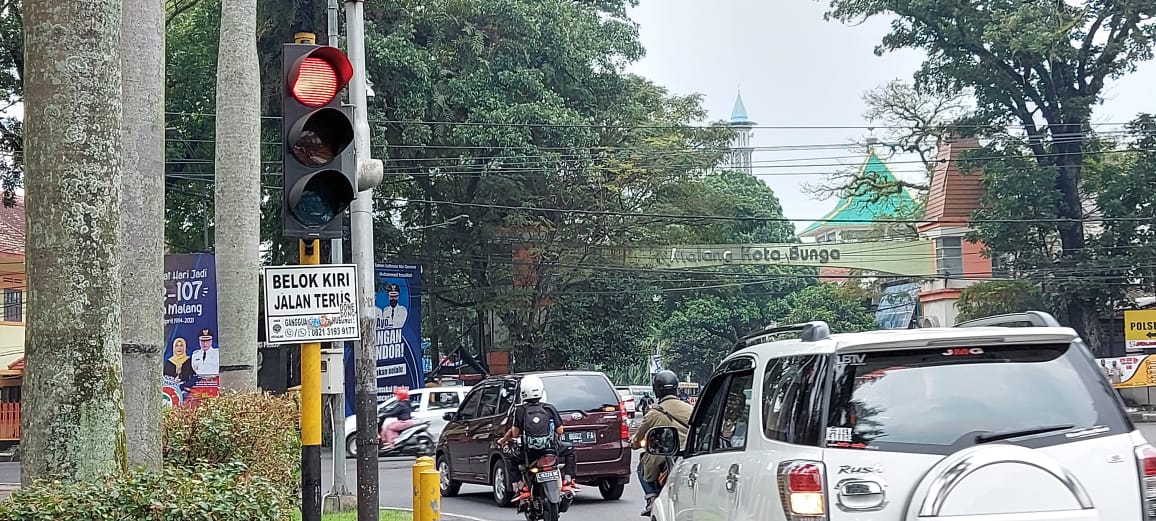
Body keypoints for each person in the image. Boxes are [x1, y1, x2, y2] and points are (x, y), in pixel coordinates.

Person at [497, 375, 579, 502]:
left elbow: (515, 434)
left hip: (528, 453)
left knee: (508, 456)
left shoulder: (520, 411)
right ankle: (568, 479)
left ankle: (519, 486)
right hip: (550, 450)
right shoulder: (549, 408)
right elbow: (560, 430)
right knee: (571, 449)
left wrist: (504, 441)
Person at [632, 370, 692, 517]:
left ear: (656, 390)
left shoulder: (653, 413)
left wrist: (633, 442)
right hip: (688, 455)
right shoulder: (690, 409)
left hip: (664, 456)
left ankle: (651, 498)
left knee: (641, 466)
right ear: (676, 388)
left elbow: (637, 439)